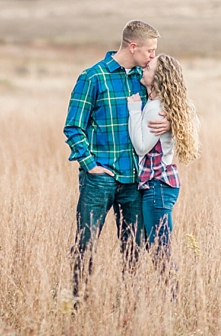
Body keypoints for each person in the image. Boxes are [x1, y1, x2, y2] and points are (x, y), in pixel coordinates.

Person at [64, 20, 170, 299]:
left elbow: (177, 100)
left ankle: (129, 306)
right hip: (100, 179)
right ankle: (77, 303)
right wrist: (90, 165)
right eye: (150, 50)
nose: (152, 56)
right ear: (132, 46)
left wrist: (172, 122)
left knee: (133, 250)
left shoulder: (144, 78)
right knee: (85, 244)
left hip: (135, 180)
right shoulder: (93, 77)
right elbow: (73, 127)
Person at [126, 53, 200, 272]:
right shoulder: (158, 103)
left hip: (157, 185)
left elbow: (141, 146)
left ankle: (171, 301)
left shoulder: (155, 108)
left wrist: (133, 110)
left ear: (158, 78)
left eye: (149, 68)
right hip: (161, 184)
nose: (144, 69)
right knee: (158, 249)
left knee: (161, 252)